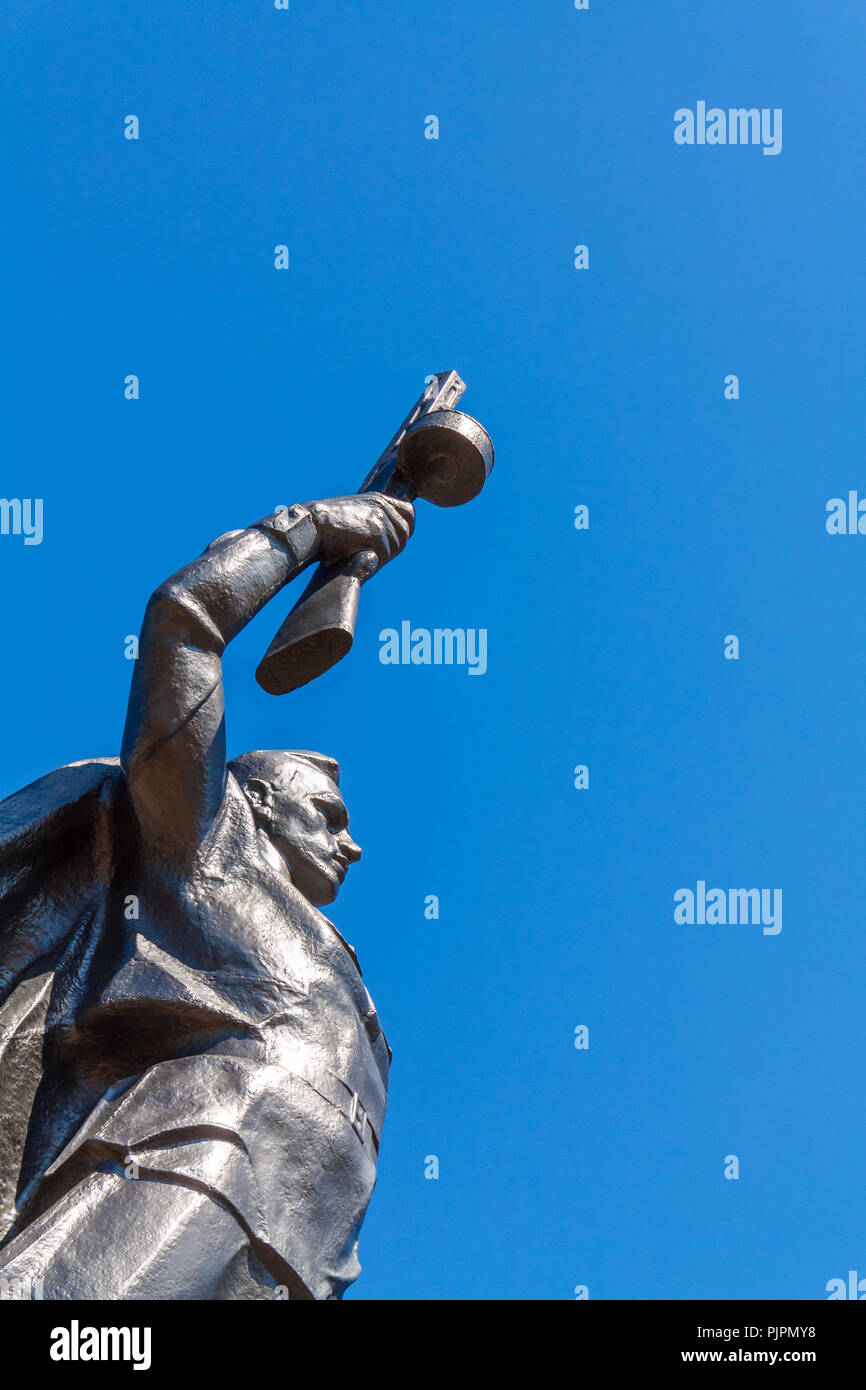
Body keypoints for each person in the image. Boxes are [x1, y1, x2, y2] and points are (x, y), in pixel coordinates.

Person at [0, 493, 414, 1300]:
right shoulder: (206, 848)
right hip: (192, 1163)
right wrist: (310, 532)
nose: (351, 843)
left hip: (302, 1248)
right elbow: (183, 625)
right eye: (328, 816)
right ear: (255, 803)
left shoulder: (342, 966)